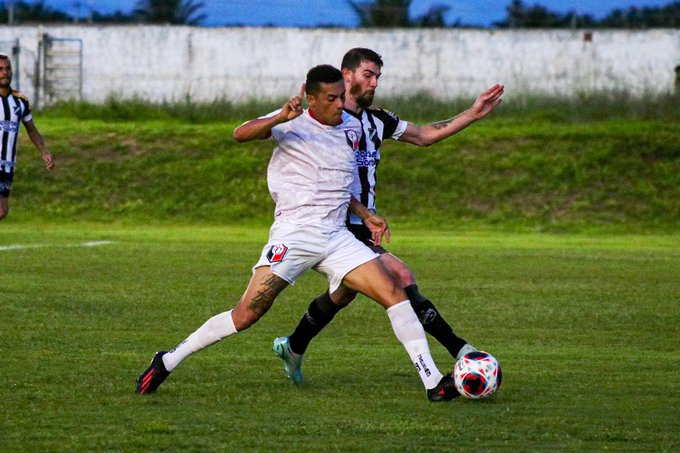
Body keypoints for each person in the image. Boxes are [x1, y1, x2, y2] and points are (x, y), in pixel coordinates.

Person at [136, 64, 460, 402]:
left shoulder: (351, 127)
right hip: (294, 236)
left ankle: (433, 382)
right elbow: (239, 134)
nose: (340, 104)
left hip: (337, 238)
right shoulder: (291, 123)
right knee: (247, 313)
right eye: (332, 99)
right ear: (311, 99)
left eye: (341, 96)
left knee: (394, 291)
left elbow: (336, 185)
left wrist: (366, 216)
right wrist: (279, 117)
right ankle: (168, 359)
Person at [273, 48, 504, 384]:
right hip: (332, 223)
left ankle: (294, 345)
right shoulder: (323, 123)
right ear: (346, 75)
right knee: (401, 277)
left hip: (361, 227)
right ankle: (461, 351)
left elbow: (424, 135)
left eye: (378, 76)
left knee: (343, 293)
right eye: (368, 74)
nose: (374, 82)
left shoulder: (377, 119)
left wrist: (472, 113)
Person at [0, 53, 54, 221]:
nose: (5, 73)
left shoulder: (20, 101)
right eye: (0, 69)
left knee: (2, 211)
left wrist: (43, 151)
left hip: (7, 166)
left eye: (8, 68)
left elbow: (31, 130)